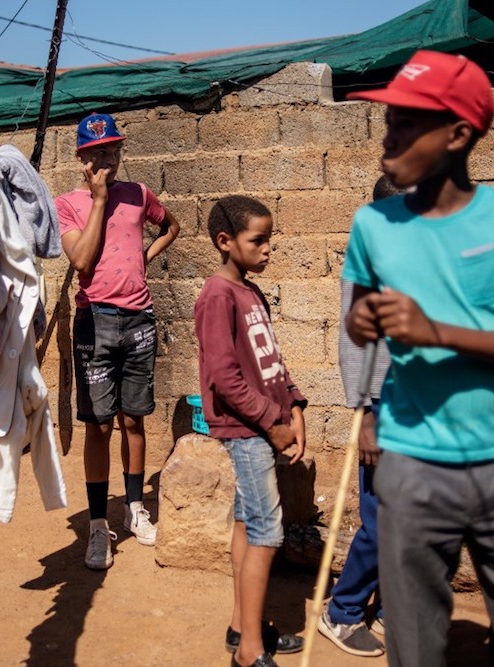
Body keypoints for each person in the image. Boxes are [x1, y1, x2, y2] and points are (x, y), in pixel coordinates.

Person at [344, 50, 494, 666]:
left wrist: (435, 332)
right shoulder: (373, 224)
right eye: (388, 120)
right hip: (411, 468)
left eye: (405, 123)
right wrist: (364, 320)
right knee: (415, 646)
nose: (388, 136)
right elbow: (358, 322)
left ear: (458, 134)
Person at [55, 112, 180, 570]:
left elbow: (172, 226)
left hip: (139, 319)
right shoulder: (67, 204)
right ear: (82, 158)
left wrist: (144, 258)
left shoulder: (140, 194)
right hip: (96, 322)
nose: (107, 158)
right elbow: (83, 260)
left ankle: (133, 509)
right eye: (97, 153)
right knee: (99, 426)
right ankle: (95, 525)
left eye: (113, 150)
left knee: (133, 421)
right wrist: (100, 198)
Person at [195, 195, 307, 667]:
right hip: (246, 432)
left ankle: (242, 626)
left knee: (247, 522)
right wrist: (272, 422)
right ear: (226, 241)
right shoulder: (216, 296)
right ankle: (249, 653)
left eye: (269, 240)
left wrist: (295, 403)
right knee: (267, 531)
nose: (267, 250)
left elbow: (270, 360)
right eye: (257, 240)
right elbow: (224, 375)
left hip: (263, 427)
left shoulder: (251, 293)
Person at [319, 175, 408, 658]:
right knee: (381, 517)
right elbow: (355, 341)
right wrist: (364, 413)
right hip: (383, 404)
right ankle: (343, 610)